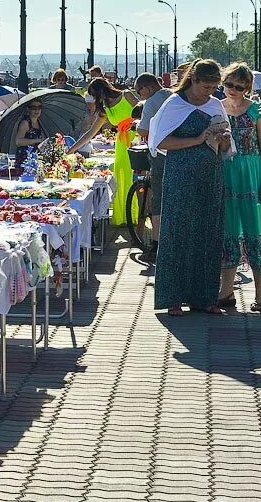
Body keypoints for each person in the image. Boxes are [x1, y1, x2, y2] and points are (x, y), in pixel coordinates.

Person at [148, 59, 233, 316]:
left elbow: (228, 150)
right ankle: (173, 297)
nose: (210, 92)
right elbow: (160, 142)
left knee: (208, 233)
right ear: (193, 80)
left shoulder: (215, 105)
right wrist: (197, 139)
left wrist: (224, 139)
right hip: (180, 175)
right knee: (178, 234)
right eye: (206, 86)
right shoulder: (174, 104)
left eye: (213, 87)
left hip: (210, 175)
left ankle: (205, 297)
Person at [218, 62, 261, 311]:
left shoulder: (256, 112)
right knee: (228, 232)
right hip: (226, 172)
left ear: (247, 88)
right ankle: (226, 290)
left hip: (251, 172)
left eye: (239, 87)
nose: (233, 90)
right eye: (229, 84)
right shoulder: (217, 109)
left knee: (254, 233)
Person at [70, 78, 141, 226]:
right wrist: (71, 150)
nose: (95, 99)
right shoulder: (105, 110)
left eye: (95, 95)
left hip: (137, 138)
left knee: (134, 176)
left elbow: (143, 111)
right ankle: (126, 215)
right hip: (122, 143)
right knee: (121, 175)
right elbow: (90, 133)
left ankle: (137, 212)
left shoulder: (126, 95)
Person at [134, 73, 173, 255]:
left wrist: (135, 126)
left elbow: (143, 129)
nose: (139, 95)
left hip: (161, 153)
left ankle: (157, 244)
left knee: (158, 197)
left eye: (139, 91)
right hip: (179, 151)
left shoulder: (151, 102)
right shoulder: (172, 94)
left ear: (147, 88)